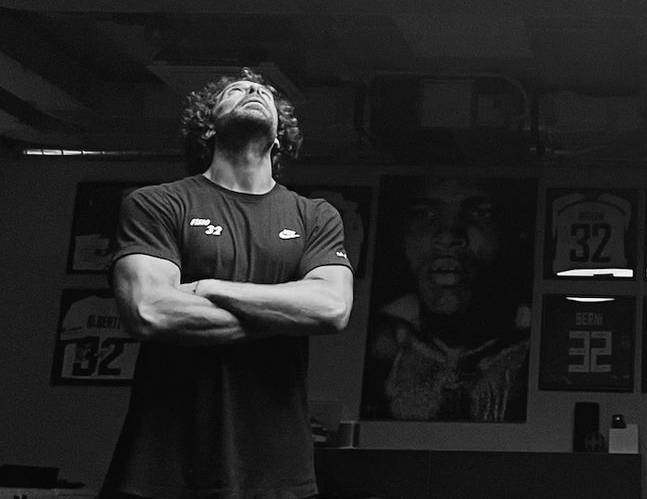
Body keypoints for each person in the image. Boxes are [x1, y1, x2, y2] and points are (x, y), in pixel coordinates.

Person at [100, 69, 354, 499]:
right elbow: (149, 311)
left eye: (264, 92)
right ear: (208, 126)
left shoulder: (315, 216)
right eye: (235, 91)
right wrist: (288, 314)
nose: (253, 90)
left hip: (277, 470)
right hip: (163, 466)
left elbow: (331, 308)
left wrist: (207, 288)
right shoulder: (156, 203)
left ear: (279, 138)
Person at [365, 174, 531, 421]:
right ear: (402, 235)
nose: (447, 237)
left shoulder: (534, 349)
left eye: (480, 213)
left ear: (517, 232)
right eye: (425, 214)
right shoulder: (380, 346)